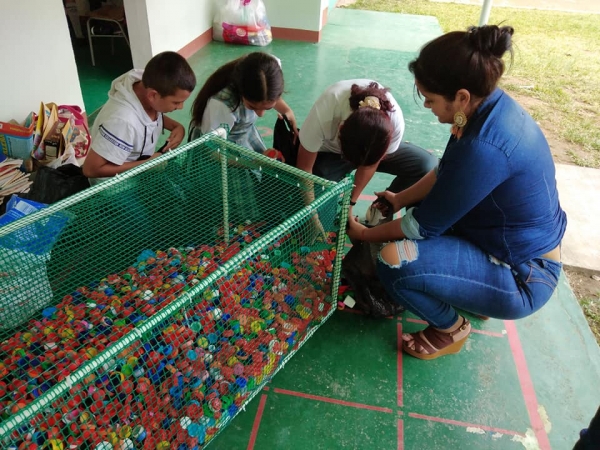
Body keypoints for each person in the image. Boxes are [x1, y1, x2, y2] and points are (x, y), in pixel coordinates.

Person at [347, 25, 567, 360]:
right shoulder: (485, 108)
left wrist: (365, 234)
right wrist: (401, 198)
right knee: (416, 215)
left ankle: (450, 327)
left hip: (525, 275)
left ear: (461, 97)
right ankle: (473, 287)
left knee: (393, 260)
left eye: (430, 99)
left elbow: (419, 228)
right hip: (501, 241)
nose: (425, 106)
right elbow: (444, 171)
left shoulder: (484, 146)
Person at [296, 79, 438, 210]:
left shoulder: (395, 121)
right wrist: (312, 216)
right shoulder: (327, 108)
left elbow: (369, 165)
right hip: (331, 154)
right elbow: (305, 168)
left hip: (370, 153)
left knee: (426, 166)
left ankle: (380, 212)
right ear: (340, 128)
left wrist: (349, 205)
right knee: (318, 209)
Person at [83, 51, 196, 185]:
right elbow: (91, 169)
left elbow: (147, 116)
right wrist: (147, 164)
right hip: (114, 186)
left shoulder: (146, 84)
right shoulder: (122, 122)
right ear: (153, 95)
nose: (181, 107)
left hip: (140, 168)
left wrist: (177, 127)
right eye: (176, 102)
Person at [188, 51, 296, 154]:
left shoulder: (270, 69)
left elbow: (267, 95)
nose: (260, 115)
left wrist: (287, 111)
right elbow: (211, 150)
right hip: (219, 150)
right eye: (252, 107)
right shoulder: (222, 104)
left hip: (244, 134)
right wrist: (254, 162)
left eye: (267, 108)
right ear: (241, 91)